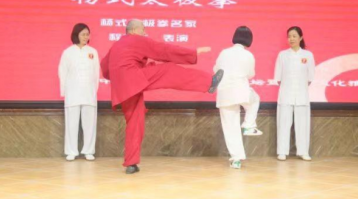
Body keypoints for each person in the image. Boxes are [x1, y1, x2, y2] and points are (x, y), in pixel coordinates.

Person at [100, 20, 224, 174]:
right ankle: (209, 82)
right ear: (133, 30)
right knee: (168, 71)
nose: (145, 32)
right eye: (143, 29)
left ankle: (131, 164)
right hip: (133, 79)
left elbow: (105, 69)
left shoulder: (116, 45)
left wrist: (122, 76)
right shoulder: (136, 39)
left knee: (134, 122)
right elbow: (162, 50)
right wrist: (192, 53)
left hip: (122, 87)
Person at [215, 26, 262, 169]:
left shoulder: (224, 52)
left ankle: (236, 159)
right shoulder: (248, 55)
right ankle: (249, 125)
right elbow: (251, 74)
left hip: (224, 93)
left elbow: (216, 70)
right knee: (255, 100)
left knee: (230, 126)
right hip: (241, 91)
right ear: (249, 40)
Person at [58, 23, 100, 161]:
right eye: (83, 34)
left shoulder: (93, 52)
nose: (85, 37)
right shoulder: (68, 52)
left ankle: (89, 151)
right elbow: (62, 72)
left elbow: (96, 74)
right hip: (72, 93)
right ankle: (71, 151)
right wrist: (64, 91)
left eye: (87, 34)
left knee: (89, 124)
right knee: (71, 123)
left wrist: (94, 91)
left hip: (89, 93)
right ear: (76, 35)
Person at [274, 26, 315, 161]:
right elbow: (278, 78)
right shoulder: (282, 55)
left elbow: (310, 78)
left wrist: (299, 87)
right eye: (289, 36)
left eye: (294, 36)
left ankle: (303, 152)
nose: (291, 39)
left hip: (302, 96)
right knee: (283, 123)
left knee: (302, 125)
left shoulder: (308, 55)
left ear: (300, 38)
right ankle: (282, 151)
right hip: (286, 95)